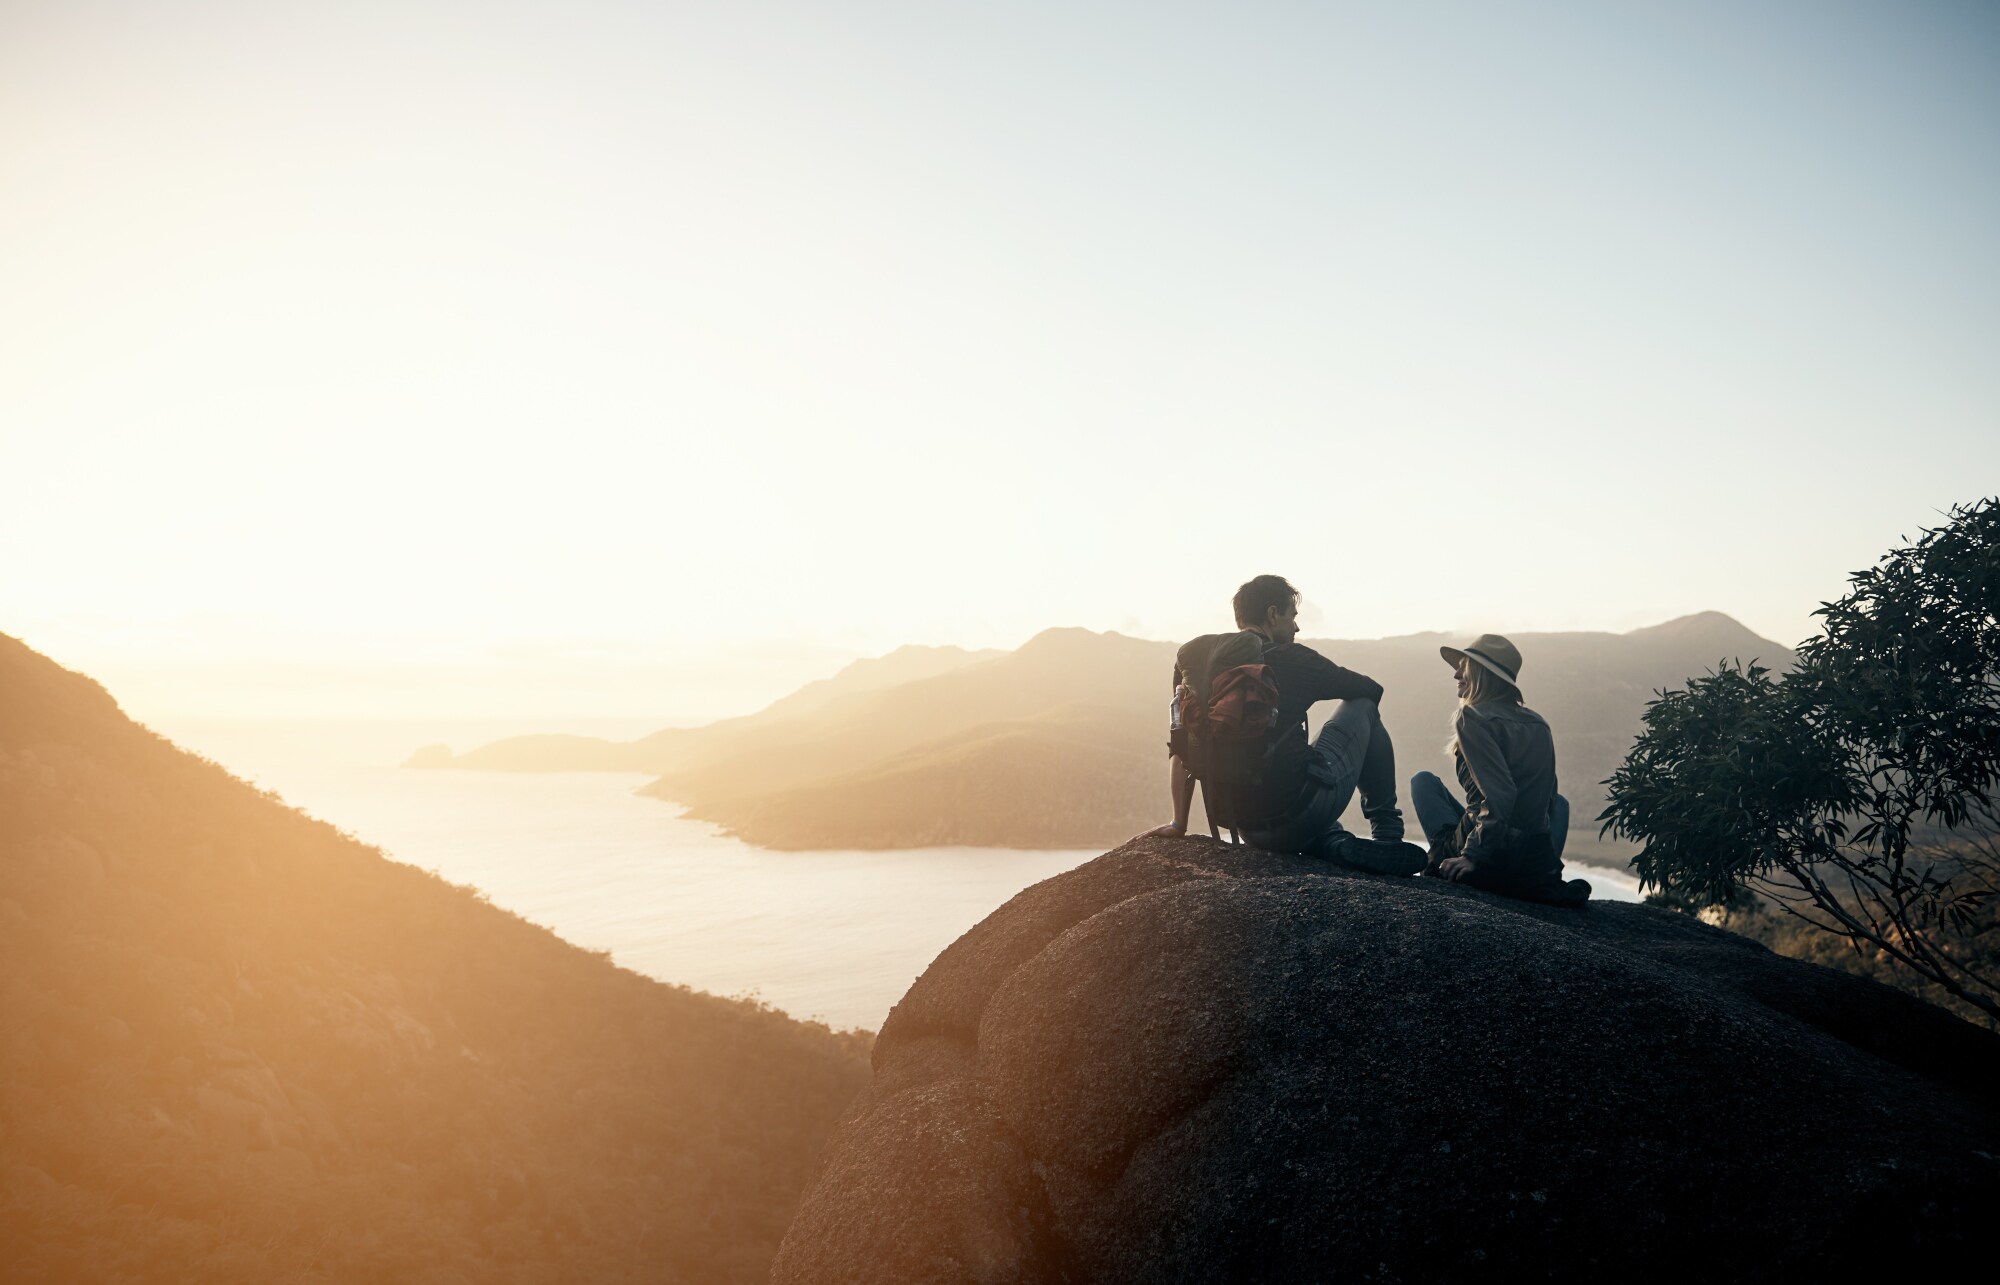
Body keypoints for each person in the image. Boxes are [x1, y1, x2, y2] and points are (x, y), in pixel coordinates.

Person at [1150, 575, 1425, 876]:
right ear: (1272, 614)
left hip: (1248, 829)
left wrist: (1180, 823)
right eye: (1292, 616)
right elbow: (1371, 690)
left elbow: (1181, 741)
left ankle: (1334, 842)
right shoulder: (1294, 658)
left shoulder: (1195, 664)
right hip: (1302, 813)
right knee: (1363, 707)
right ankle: (1387, 835)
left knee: (1302, 791)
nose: (1296, 627)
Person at [1411, 634, 1591, 905]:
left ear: (1481, 674)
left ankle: (1440, 857)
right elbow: (1548, 797)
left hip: (1492, 856)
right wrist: (1543, 866)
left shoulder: (1472, 716)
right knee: (1560, 804)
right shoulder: (1538, 723)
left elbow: (1501, 795)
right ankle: (1540, 874)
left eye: (1463, 666)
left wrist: (1472, 855)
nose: (1456, 674)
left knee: (1422, 781)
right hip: (1533, 862)